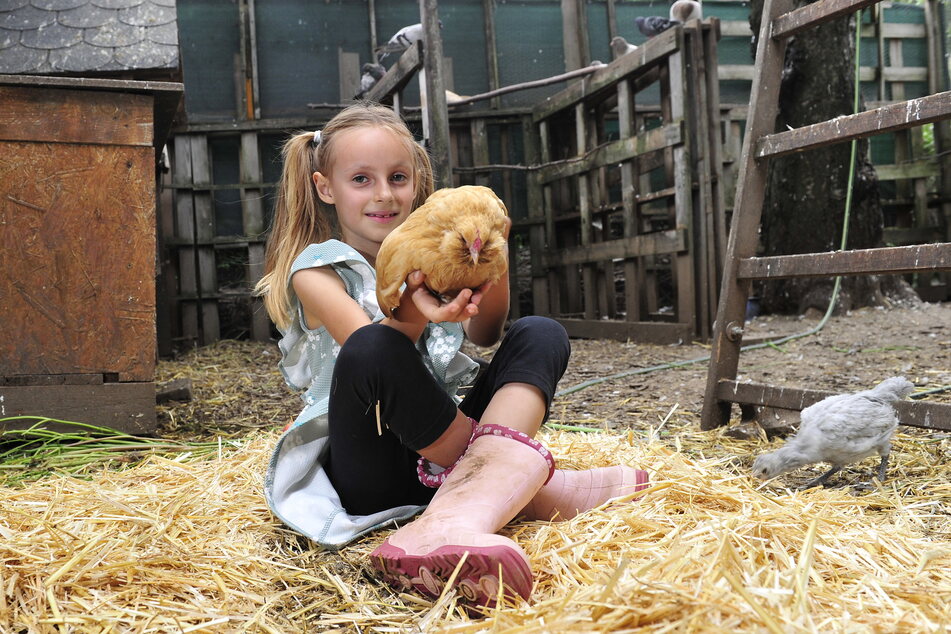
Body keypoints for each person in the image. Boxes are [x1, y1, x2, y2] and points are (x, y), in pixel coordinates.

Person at [256, 101, 649, 608]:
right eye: (361, 179)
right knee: (376, 343)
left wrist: (496, 257)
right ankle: (526, 486)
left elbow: (487, 332)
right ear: (325, 188)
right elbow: (374, 354)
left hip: (439, 451)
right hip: (372, 466)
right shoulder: (318, 272)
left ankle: (462, 506)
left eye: (398, 177)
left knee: (540, 332)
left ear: (417, 181)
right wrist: (417, 310)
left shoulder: (444, 253)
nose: (384, 194)